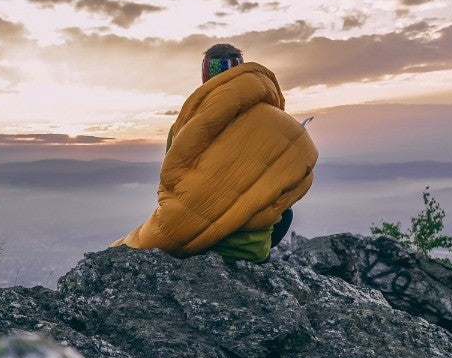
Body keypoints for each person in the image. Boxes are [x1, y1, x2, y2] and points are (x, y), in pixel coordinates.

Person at [112, 43, 317, 264]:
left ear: (207, 79)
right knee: (283, 212)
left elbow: (174, 183)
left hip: (204, 248)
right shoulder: (279, 122)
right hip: (253, 251)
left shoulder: (188, 124)